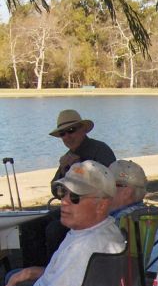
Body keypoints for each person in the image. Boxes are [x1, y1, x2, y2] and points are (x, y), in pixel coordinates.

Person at [20, 109, 116, 267]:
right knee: (29, 226)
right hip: (71, 207)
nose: (67, 137)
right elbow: (55, 190)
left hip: (94, 210)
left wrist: (79, 168)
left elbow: (109, 186)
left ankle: (56, 270)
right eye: (62, 133)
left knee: (54, 230)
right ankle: (35, 271)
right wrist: (64, 169)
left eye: (71, 130)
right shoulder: (68, 157)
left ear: (83, 129)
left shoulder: (100, 150)